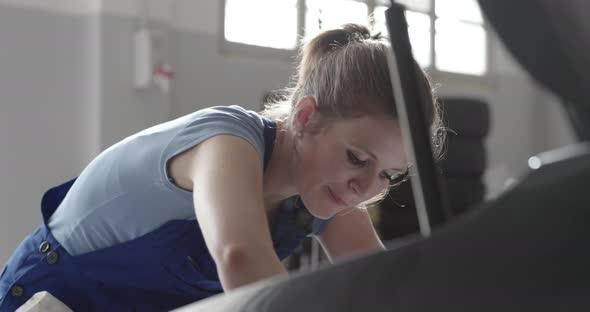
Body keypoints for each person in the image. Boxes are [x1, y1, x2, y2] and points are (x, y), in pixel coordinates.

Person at [0, 23, 444, 311]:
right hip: (45, 301)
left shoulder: (328, 186)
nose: (363, 188)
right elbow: (240, 256)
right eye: (358, 159)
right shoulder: (226, 141)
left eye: (387, 175)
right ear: (307, 117)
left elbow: (382, 288)